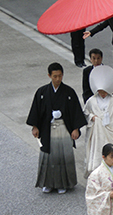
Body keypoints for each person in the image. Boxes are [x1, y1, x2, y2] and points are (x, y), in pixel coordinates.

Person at [26, 62, 87, 194]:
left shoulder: (68, 92)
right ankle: (48, 183)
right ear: (49, 76)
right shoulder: (42, 92)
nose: (58, 79)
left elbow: (76, 111)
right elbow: (36, 110)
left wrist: (75, 128)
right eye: (55, 76)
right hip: (48, 128)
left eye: (60, 76)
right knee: (48, 156)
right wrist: (35, 127)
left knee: (63, 156)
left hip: (63, 128)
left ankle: (62, 183)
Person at [83, 65, 113, 178]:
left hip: (111, 131)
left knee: (112, 153)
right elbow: (85, 113)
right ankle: (97, 175)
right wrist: (92, 117)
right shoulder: (91, 101)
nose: (102, 93)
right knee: (98, 154)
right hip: (97, 134)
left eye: (104, 91)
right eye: (100, 91)